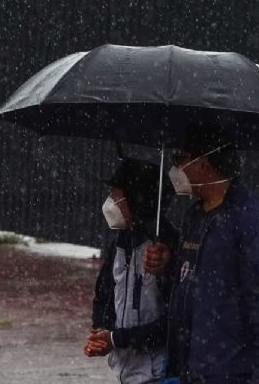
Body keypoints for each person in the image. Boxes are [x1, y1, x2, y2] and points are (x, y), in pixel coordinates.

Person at [144, 126, 259, 384]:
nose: (176, 169)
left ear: (204, 163)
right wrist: (167, 266)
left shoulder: (253, 219)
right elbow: (188, 285)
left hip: (229, 372)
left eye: (181, 159)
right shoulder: (194, 216)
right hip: (190, 369)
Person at [84, 158, 179, 384]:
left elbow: (174, 322)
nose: (111, 202)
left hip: (160, 373)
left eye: (117, 195)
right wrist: (102, 333)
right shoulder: (121, 241)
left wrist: (117, 339)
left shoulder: (166, 246)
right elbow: (104, 295)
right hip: (128, 373)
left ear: (138, 199)